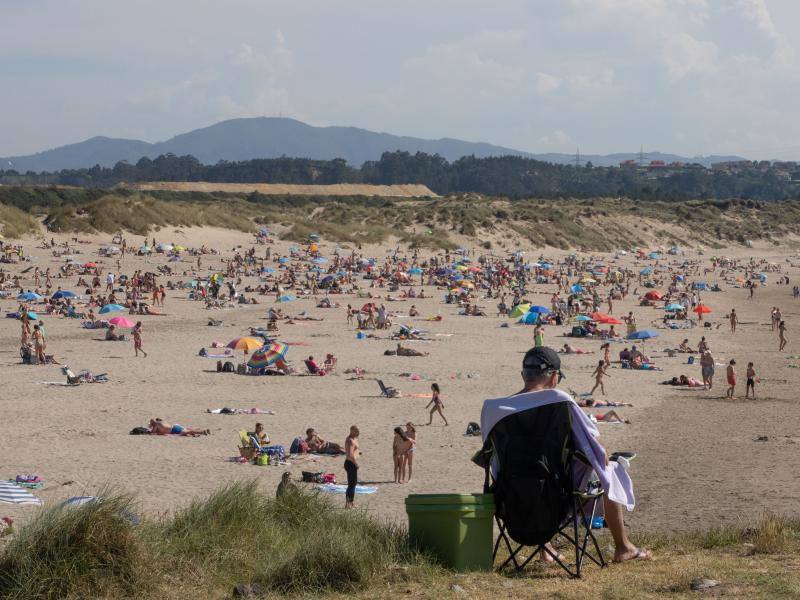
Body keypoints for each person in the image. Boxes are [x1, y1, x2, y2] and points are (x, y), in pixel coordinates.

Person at [480, 347, 651, 564]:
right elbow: (597, 452)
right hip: (561, 494)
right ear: (554, 376)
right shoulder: (559, 400)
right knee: (612, 468)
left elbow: (489, 458)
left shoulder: (494, 408)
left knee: (536, 476)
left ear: (524, 375)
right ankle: (623, 547)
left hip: (511, 496)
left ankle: (546, 549)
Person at [344, 425, 360, 509]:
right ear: (351, 430)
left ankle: (351, 502)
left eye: (358, 430)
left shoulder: (355, 438)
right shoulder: (350, 440)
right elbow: (350, 454)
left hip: (352, 462)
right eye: (356, 430)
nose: (357, 432)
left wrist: (358, 453)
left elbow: (354, 451)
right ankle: (348, 504)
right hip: (350, 463)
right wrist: (356, 463)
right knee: (351, 484)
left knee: (354, 484)